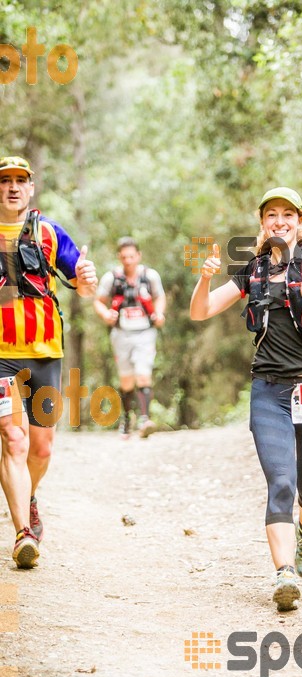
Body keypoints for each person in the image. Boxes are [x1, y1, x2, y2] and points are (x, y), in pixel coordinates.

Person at [190, 187, 302, 611]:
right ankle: (284, 572)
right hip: (268, 392)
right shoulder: (251, 269)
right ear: (263, 222)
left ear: (300, 220)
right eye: (272, 214)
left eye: (288, 214)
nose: (280, 221)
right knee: (281, 483)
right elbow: (201, 311)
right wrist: (204, 277)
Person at [0, 155, 98, 568]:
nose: (13, 187)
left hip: (45, 353)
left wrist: (88, 280)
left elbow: (81, 283)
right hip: (1, 358)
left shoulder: (48, 233)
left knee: (41, 447)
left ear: (31, 188)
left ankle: (29, 495)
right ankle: (23, 532)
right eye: (5, 180)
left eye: (21, 180)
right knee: (14, 440)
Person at [94, 237, 166, 438]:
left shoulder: (149, 276)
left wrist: (159, 314)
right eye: (124, 257)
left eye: (131, 257)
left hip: (145, 332)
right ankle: (126, 419)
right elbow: (99, 301)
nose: (128, 261)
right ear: (119, 257)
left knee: (143, 374)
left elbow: (160, 297)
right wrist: (105, 314)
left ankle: (145, 419)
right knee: (126, 379)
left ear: (139, 256)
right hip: (121, 333)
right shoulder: (112, 279)